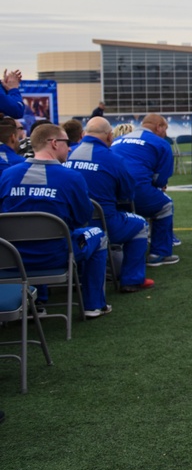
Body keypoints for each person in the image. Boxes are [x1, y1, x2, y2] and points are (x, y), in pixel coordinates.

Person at [0, 123, 112, 318]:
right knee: (98, 235)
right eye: (66, 142)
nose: (69, 147)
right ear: (53, 143)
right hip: (55, 256)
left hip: (11, 259)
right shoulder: (71, 178)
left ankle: (38, 301)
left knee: (32, 236)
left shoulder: (8, 176)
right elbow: (82, 218)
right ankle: (94, 305)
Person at [68, 117, 154, 293]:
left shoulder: (67, 154)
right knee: (140, 224)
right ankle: (132, 279)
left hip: (71, 225)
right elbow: (127, 195)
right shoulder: (114, 159)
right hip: (104, 222)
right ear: (109, 136)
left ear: (84, 134)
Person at [111, 114, 179, 266]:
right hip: (137, 190)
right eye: (165, 129)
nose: (165, 134)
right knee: (165, 205)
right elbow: (160, 180)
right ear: (158, 127)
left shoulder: (117, 141)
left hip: (111, 192)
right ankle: (159, 253)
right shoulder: (161, 144)